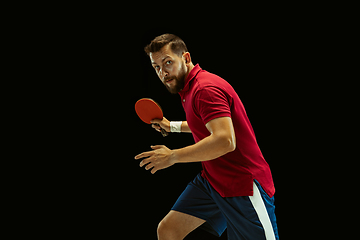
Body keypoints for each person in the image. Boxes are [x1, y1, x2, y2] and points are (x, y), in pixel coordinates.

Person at [135, 34, 279, 240]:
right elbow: (204, 125)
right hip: (213, 180)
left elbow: (225, 140)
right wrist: (171, 126)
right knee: (168, 230)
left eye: (168, 63)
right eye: (156, 67)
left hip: (242, 184)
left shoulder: (205, 89)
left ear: (185, 58)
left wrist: (172, 156)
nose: (163, 72)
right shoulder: (189, 88)